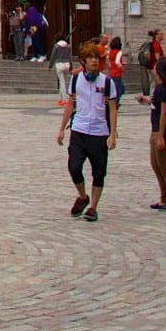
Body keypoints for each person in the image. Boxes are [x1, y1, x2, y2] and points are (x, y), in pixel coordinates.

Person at [56, 41, 117, 223]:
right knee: (74, 167)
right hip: (79, 130)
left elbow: (112, 108)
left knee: (99, 172)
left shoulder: (106, 82)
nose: (94, 61)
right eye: (90, 58)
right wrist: (61, 129)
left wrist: (113, 133)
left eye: (96, 57)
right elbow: (70, 104)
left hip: (99, 132)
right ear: (82, 61)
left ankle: (93, 207)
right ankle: (82, 196)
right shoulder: (76, 80)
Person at [138, 54, 166, 211]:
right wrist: (146, 99)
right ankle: (163, 197)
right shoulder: (159, 89)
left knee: (164, 167)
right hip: (155, 130)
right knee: (156, 165)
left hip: (164, 132)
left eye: (156, 68)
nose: (153, 70)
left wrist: (161, 136)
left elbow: (164, 113)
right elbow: (156, 104)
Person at [49, 39, 72, 105]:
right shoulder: (68, 46)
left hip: (59, 64)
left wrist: (50, 65)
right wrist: (71, 66)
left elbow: (53, 56)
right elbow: (69, 57)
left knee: (62, 82)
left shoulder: (56, 46)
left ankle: (64, 99)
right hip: (67, 64)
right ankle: (60, 98)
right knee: (63, 81)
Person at [108, 36, 125, 107]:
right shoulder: (119, 52)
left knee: (118, 88)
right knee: (119, 90)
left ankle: (114, 103)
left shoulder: (110, 52)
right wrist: (121, 67)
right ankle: (115, 104)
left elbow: (109, 63)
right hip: (117, 73)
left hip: (112, 72)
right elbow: (117, 62)